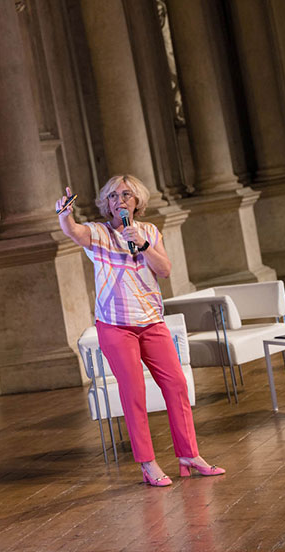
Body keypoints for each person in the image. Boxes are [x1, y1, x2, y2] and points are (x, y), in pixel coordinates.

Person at [56, 175, 224, 486]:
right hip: (116, 327)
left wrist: (143, 244)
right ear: (107, 204)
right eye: (112, 196)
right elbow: (74, 231)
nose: (118, 200)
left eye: (125, 195)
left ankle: (189, 454)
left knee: (176, 384)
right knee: (134, 393)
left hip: (151, 322)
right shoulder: (99, 233)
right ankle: (147, 463)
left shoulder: (148, 232)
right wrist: (65, 215)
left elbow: (165, 270)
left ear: (137, 202)